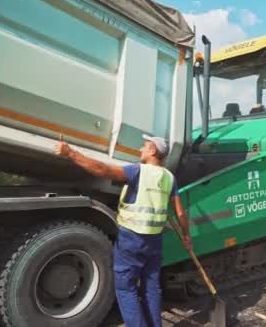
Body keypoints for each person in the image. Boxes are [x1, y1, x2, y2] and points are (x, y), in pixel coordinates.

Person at [54, 134, 192, 326]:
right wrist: (186, 235)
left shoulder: (138, 172)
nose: (140, 150)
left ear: (153, 151)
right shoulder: (169, 178)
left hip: (132, 240)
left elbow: (103, 170)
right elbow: (180, 213)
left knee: (126, 289)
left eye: (144, 146)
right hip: (154, 241)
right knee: (151, 288)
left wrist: (70, 153)